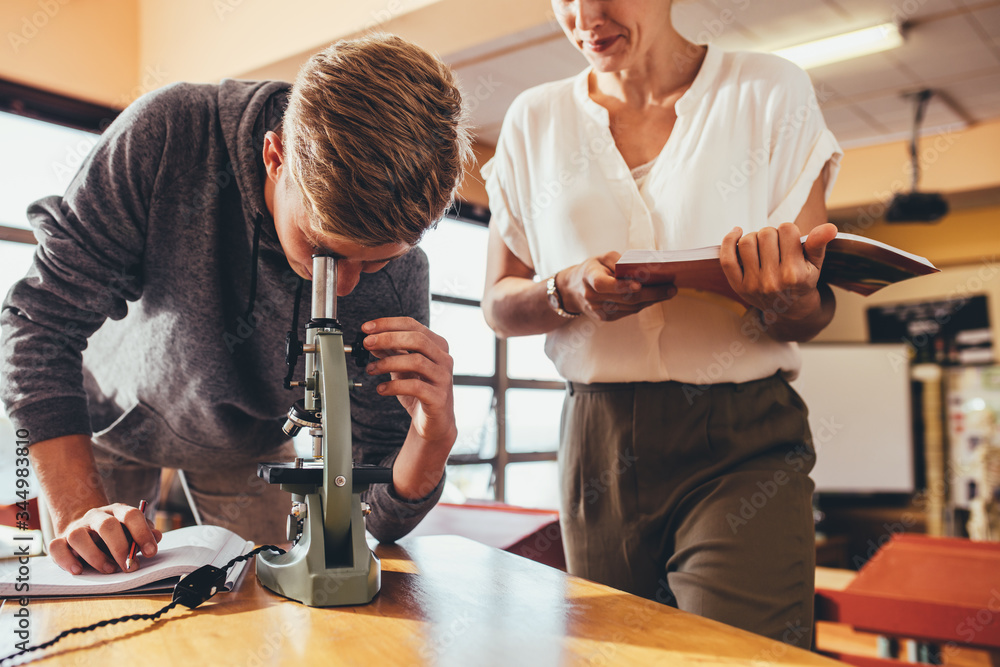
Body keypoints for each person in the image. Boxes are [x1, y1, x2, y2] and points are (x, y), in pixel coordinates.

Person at [1, 33, 470, 577]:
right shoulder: (169, 133)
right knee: (95, 592)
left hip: (253, 449)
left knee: (265, 620)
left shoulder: (401, 271)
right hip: (106, 420)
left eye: (375, 263)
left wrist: (433, 442)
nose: (344, 288)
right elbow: (38, 327)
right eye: (325, 251)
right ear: (275, 156)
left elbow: (375, 514)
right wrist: (80, 509)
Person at [481, 0, 842, 647]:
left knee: (736, 656)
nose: (586, 14)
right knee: (621, 654)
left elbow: (806, 314)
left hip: (741, 439)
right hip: (597, 440)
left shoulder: (767, 89)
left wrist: (781, 295)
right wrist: (565, 290)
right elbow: (499, 305)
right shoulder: (533, 119)